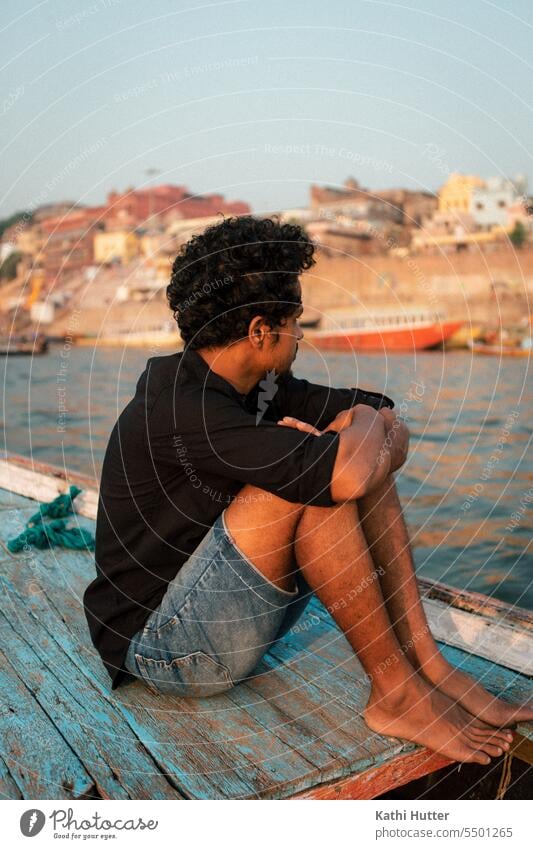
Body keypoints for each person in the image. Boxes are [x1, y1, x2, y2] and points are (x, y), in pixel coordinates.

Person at [83, 215, 532, 765]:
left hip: (221, 613)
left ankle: (425, 665)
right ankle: (396, 694)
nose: (301, 337)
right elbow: (351, 467)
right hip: (160, 649)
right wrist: (351, 437)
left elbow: (386, 416)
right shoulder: (183, 408)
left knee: (337, 464)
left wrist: (354, 430)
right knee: (318, 480)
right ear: (259, 331)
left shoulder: (262, 387)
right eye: (296, 324)